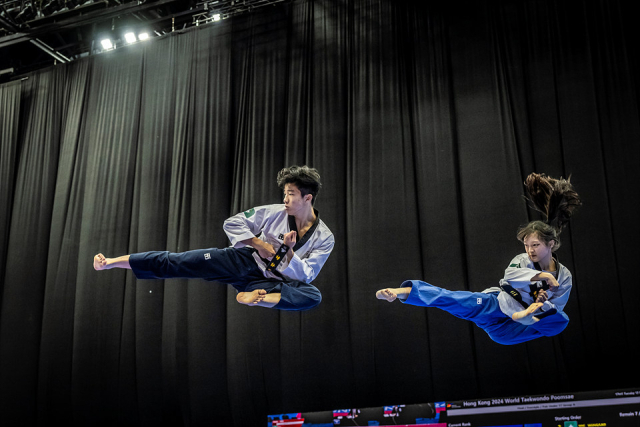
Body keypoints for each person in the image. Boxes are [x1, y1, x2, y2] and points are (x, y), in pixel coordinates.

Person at [376, 173, 581, 345]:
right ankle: (400, 292)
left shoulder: (565, 276)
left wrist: (541, 304)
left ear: (551, 245)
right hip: (495, 308)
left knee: (560, 321)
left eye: (535, 245)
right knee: (452, 299)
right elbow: (511, 276)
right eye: (526, 245)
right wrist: (543, 275)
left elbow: (557, 306)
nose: (529, 250)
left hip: (514, 329)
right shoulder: (523, 260)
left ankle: (525, 315)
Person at [94, 165, 334, 311]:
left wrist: (289, 251)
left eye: (290, 194)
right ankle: (112, 262)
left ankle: (255, 298)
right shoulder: (275, 212)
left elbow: (308, 275)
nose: (285, 199)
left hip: (271, 282)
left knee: (313, 296)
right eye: (284, 193)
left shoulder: (324, 237)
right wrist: (259, 244)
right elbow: (233, 222)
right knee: (179, 261)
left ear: (307, 198)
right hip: (244, 261)